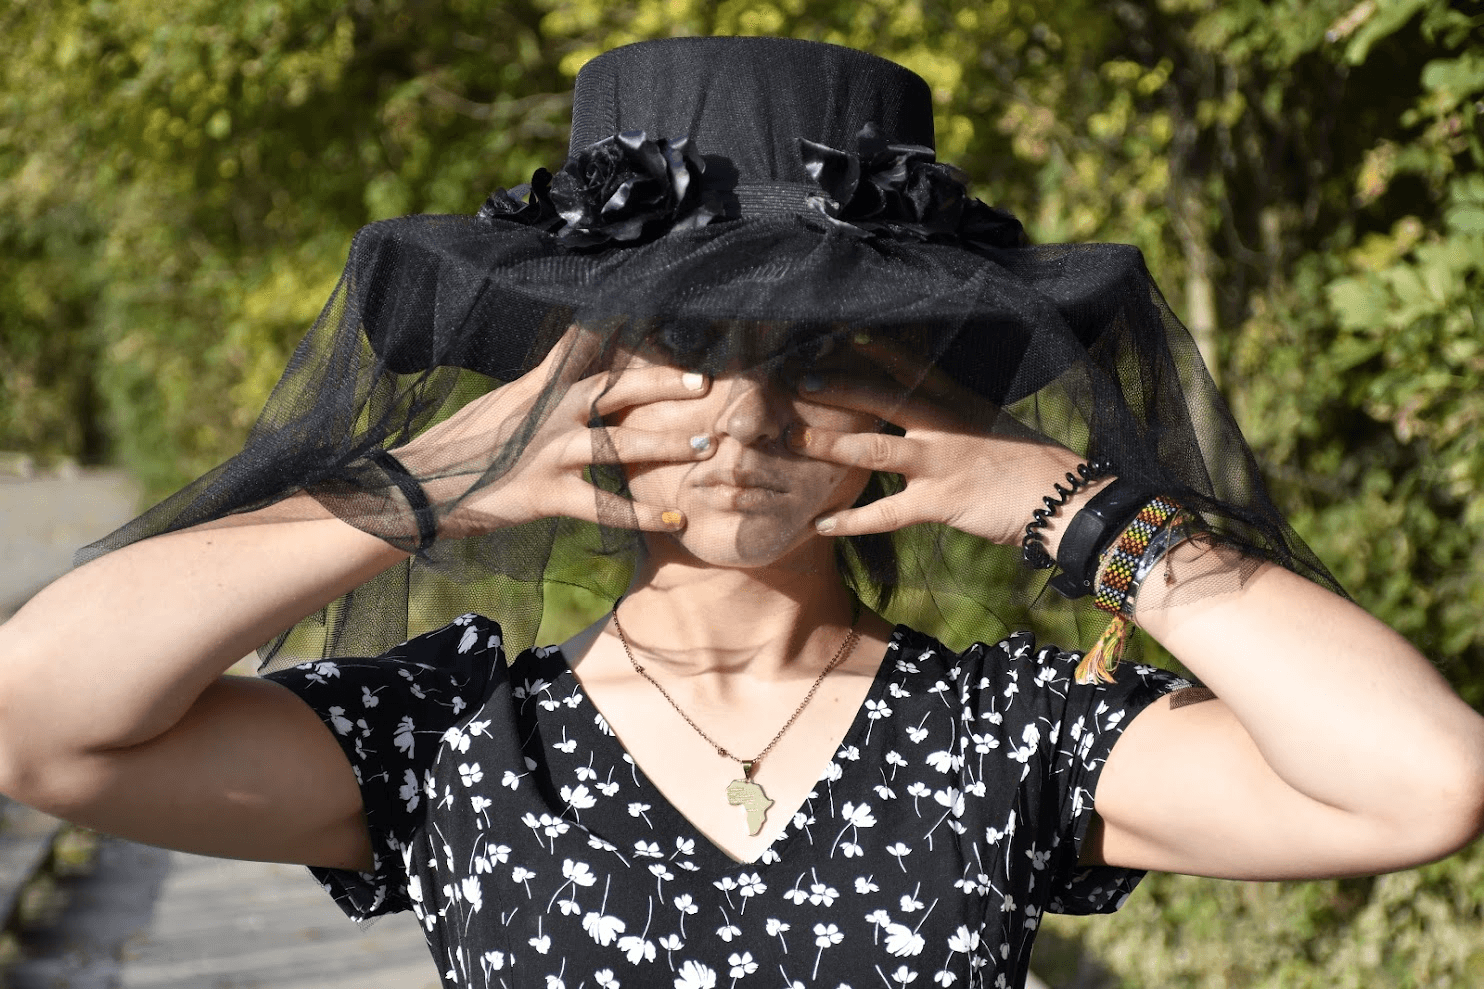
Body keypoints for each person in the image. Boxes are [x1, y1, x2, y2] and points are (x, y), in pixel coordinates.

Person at [1, 36, 1481, 989]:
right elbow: (39, 722)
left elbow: (1423, 784)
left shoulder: (1004, 738)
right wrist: (422, 487)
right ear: (576, 373)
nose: (746, 417)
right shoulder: (455, 740)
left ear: (913, 388)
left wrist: (1074, 507)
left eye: (817, 354)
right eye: (687, 345)